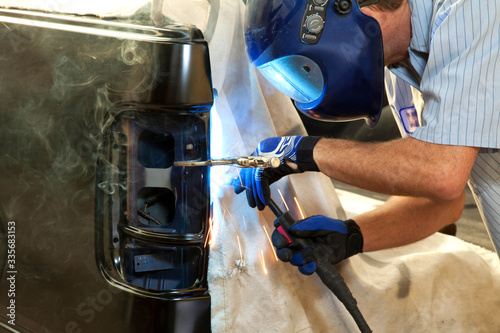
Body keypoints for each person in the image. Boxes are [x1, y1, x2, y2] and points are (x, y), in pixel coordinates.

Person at [236, 0, 500, 275]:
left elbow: (441, 173)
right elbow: (443, 200)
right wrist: (352, 236)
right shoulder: (399, 74)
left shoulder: (472, 10)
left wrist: (309, 152)